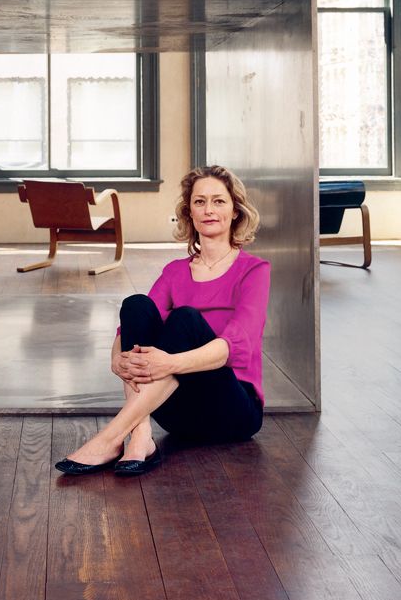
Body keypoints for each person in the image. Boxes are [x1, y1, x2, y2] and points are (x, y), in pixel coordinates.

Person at [55, 165, 269, 477]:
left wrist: (169, 363)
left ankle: (111, 438)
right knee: (136, 305)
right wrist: (116, 358)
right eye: (199, 202)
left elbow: (234, 346)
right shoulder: (175, 272)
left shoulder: (254, 270)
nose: (209, 210)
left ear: (235, 211)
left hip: (234, 411)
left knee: (184, 319)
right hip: (176, 415)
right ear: (189, 212)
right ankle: (141, 437)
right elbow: (130, 327)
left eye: (219, 201)